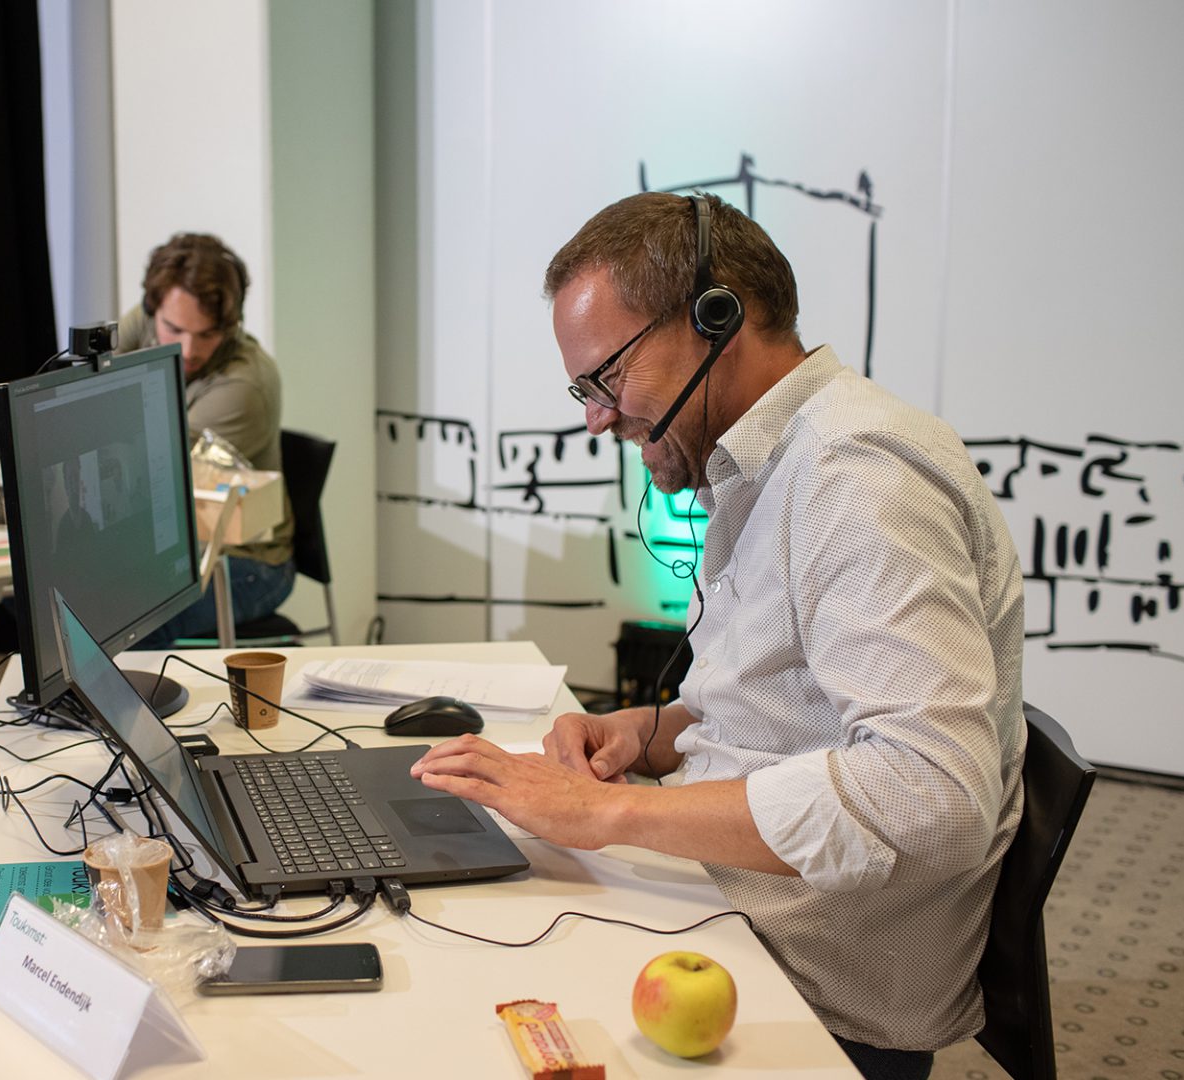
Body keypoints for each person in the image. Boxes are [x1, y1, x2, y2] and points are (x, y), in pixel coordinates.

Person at [412, 192, 1026, 1080]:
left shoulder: (856, 479)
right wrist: (645, 733)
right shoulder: (764, 463)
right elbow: (781, 708)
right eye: (582, 389)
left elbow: (932, 796)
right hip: (735, 913)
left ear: (717, 318)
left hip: (816, 989)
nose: (595, 419)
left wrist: (611, 811)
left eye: (607, 379)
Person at [118, 233, 295, 646]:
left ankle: (138, 709)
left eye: (208, 334)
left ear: (231, 325)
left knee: (126, 616)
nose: (187, 348)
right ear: (152, 309)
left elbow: (153, 483)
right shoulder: (147, 319)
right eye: (174, 328)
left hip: (245, 561)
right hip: (174, 542)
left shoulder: (244, 387)